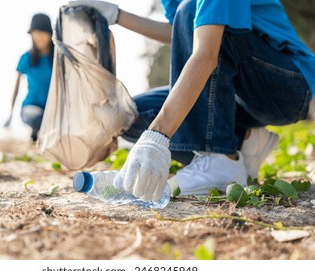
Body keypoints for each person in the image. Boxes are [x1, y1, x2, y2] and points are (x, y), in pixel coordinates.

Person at [69, 0, 315, 202]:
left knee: (195, 14)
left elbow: (206, 52)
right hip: (238, 93)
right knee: (130, 116)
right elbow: (180, 30)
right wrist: (117, 15)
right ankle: (246, 140)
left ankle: (219, 158)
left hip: (286, 88)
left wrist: (157, 135)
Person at [5, 13, 54, 142]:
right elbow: (16, 86)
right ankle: (36, 131)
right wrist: (10, 114)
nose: (39, 37)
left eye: (43, 33)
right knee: (36, 117)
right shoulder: (26, 58)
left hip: (54, 106)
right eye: (35, 33)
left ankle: (46, 131)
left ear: (50, 34)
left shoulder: (58, 59)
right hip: (32, 106)